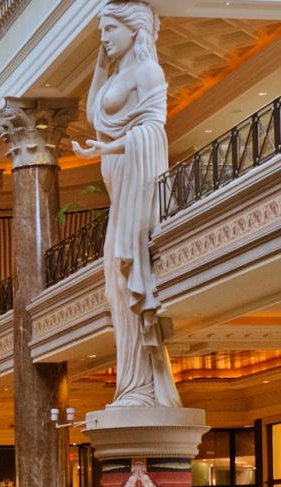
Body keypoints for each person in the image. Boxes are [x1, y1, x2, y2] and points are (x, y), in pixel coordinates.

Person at [71, 0, 180, 408]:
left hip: (137, 178)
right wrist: (100, 61)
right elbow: (95, 110)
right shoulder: (118, 71)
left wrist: (110, 146)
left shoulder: (148, 71)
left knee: (126, 272)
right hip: (119, 185)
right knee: (115, 282)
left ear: (133, 28)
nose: (104, 38)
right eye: (102, 31)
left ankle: (145, 387)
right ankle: (132, 383)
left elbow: (154, 128)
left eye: (110, 30)